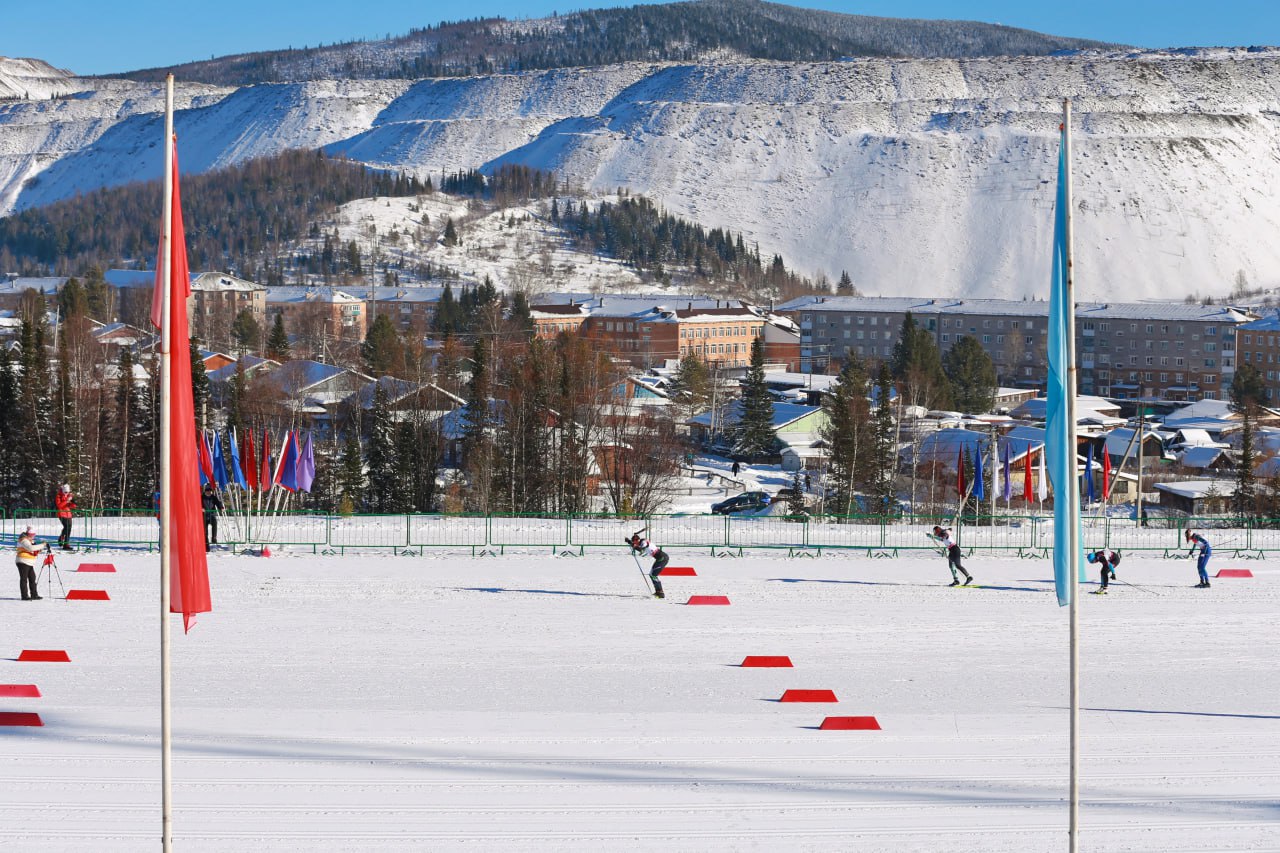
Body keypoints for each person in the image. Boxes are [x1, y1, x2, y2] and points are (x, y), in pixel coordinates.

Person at [628, 528, 669, 599]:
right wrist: (631, 543)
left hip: (662, 558)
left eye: (634, 542)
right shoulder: (640, 542)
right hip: (660, 558)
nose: (635, 544)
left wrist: (631, 543)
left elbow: (641, 549)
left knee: (653, 575)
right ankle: (658, 592)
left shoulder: (643, 542)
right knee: (651, 574)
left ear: (636, 540)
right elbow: (642, 551)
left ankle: (660, 593)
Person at [16, 526, 43, 601]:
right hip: (22, 561)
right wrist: (42, 545)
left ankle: (34, 595)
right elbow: (30, 548)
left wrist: (38, 549)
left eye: (34, 535)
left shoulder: (30, 540)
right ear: (28, 534)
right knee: (24, 579)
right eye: (32, 535)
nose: (33, 536)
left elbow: (33, 549)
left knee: (32, 578)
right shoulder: (23, 540)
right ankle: (24, 596)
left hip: (29, 562)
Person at [202, 483, 224, 552]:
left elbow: (218, 503)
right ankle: (206, 546)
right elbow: (198, 504)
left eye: (210, 490)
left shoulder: (213, 497)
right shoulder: (201, 497)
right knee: (205, 532)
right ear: (205, 491)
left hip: (212, 515)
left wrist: (221, 508)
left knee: (215, 523)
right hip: (204, 516)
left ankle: (214, 538)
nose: (208, 492)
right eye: (207, 490)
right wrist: (201, 508)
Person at [55, 484, 76, 551]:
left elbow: (73, 506)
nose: (66, 493)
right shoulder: (58, 496)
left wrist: (73, 502)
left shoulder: (70, 495)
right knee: (66, 527)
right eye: (65, 492)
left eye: (67, 492)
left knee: (68, 528)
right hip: (61, 514)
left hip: (68, 514)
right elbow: (59, 506)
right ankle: (63, 540)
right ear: (63, 491)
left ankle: (66, 543)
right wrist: (66, 501)